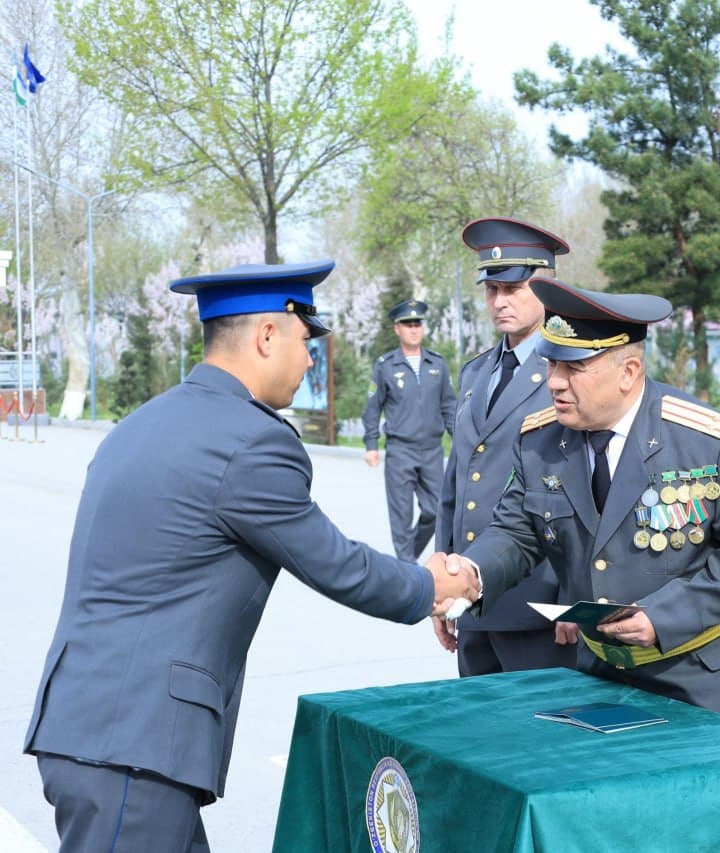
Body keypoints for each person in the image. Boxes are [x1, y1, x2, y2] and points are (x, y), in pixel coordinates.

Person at [24, 260, 476, 852]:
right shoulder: (250, 439)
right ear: (266, 336)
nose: (310, 360)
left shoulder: (141, 423)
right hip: (132, 744)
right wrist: (431, 587)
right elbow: (335, 563)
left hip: (94, 729)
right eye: (305, 341)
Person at [439, 277, 720, 725]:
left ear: (629, 372)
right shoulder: (540, 441)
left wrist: (665, 616)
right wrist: (472, 574)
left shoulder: (712, 442)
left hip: (706, 676)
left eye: (574, 368)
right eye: (551, 364)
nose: (554, 383)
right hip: (604, 671)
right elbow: (516, 532)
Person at [434, 217, 577, 675]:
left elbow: (584, 487)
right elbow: (456, 482)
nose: (500, 302)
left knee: (538, 721)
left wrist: (576, 595)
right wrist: (445, 580)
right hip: (473, 601)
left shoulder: (568, 368)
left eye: (513, 289)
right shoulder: (476, 372)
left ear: (545, 288)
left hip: (540, 603)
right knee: (476, 720)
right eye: (492, 290)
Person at [362, 299, 457, 561]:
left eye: (417, 324)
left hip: (431, 451)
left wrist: (461, 440)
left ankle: (406, 561)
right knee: (401, 516)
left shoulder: (437, 364)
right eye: (407, 324)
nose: (414, 329)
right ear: (397, 329)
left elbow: (449, 406)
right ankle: (407, 568)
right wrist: (371, 445)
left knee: (435, 511)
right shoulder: (385, 366)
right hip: (400, 450)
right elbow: (372, 407)